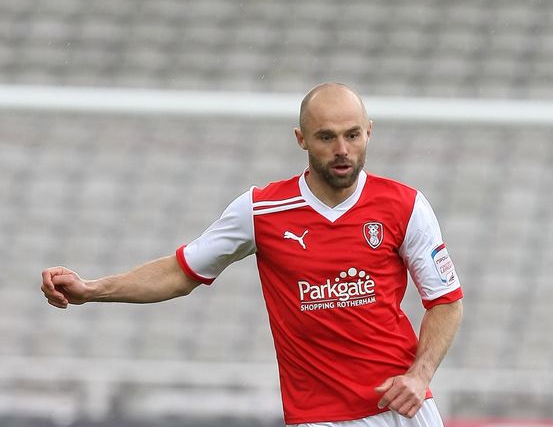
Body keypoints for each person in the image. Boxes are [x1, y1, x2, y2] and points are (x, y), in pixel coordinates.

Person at [40, 83, 464, 427]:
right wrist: (92, 289)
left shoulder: (405, 205)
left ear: (368, 132)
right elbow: (180, 272)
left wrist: (420, 374)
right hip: (320, 417)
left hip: (405, 409)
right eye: (326, 137)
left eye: (352, 135)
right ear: (301, 139)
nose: (342, 149)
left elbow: (446, 301)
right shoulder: (261, 210)